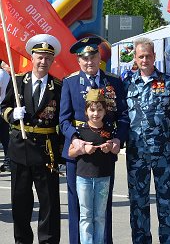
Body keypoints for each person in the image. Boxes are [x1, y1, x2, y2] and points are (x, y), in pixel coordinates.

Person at [59, 36, 129, 244]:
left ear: (100, 58)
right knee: (77, 206)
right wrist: (75, 139)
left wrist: (118, 139)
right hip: (78, 152)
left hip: (105, 151)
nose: (89, 62)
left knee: (101, 207)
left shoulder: (114, 82)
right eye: (84, 58)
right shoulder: (70, 83)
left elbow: (123, 116)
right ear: (78, 61)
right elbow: (63, 119)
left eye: (93, 56)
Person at [123, 37, 170, 244]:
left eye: (148, 56)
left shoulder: (169, 81)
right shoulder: (126, 84)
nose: (144, 60)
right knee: (138, 203)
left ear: (155, 57)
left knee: (166, 202)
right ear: (135, 57)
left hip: (163, 153)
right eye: (141, 56)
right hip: (136, 154)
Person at [1, 34, 62, 243]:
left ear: (52, 60)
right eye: (39, 57)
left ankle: (48, 241)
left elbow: (63, 119)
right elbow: (3, 107)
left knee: (49, 204)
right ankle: (22, 240)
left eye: (47, 58)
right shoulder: (18, 82)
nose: (43, 61)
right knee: (20, 203)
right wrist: (12, 115)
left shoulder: (58, 87)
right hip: (20, 149)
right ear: (32, 58)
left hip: (46, 151)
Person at [68, 89, 116, 244]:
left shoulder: (109, 129)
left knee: (100, 217)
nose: (96, 114)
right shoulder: (80, 131)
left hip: (103, 177)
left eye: (99, 110)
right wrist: (82, 149)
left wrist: (110, 147)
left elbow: (116, 148)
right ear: (86, 111)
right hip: (84, 178)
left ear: (105, 111)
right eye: (92, 110)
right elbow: (70, 152)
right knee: (86, 216)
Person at [0, 59, 11, 172]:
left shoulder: (1, 74)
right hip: (3, 109)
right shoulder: (6, 74)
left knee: (4, 138)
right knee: (5, 138)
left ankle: (8, 161)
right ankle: (8, 161)